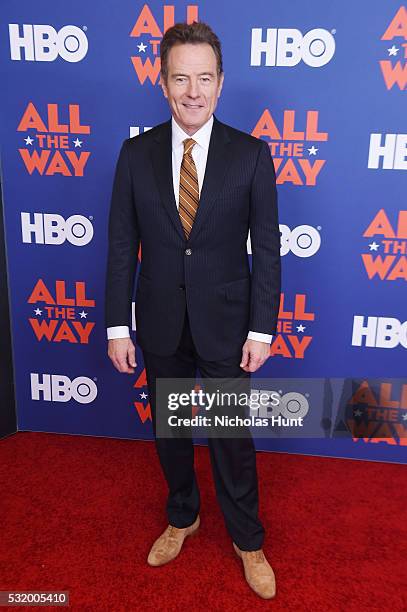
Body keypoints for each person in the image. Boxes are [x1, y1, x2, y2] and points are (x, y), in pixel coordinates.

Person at [105, 21, 281, 600]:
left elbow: (268, 251)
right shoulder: (135, 155)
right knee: (171, 431)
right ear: (162, 83)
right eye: (180, 78)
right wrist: (116, 324)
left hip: (228, 323)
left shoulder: (252, 156)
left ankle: (248, 538)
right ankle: (183, 516)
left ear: (221, 83)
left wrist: (261, 327)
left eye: (204, 78)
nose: (193, 91)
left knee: (232, 436)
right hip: (159, 321)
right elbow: (119, 244)